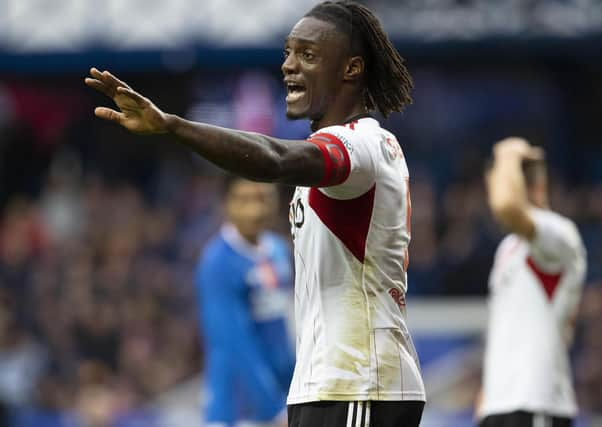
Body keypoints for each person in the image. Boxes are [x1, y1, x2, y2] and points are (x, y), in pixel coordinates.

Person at [85, 1, 426, 425]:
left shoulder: (362, 146)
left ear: (351, 69)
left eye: (308, 54)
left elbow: (276, 158)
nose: (288, 66)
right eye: (287, 52)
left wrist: (173, 125)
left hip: (358, 383)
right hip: (330, 383)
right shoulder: (343, 157)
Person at [479, 138, 587, 427]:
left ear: (533, 186)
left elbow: (506, 205)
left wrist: (508, 153)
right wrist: (486, 395)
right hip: (500, 404)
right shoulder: (507, 248)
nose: (493, 195)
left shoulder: (560, 234)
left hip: (536, 402)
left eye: (500, 182)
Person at [196, 177, 294, 427]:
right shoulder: (217, 262)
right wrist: (272, 409)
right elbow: (232, 341)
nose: (255, 210)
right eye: (245, 200)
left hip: (282, 396)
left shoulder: (279, 250)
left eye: (263, 198)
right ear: (227, 204)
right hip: (236, 407)